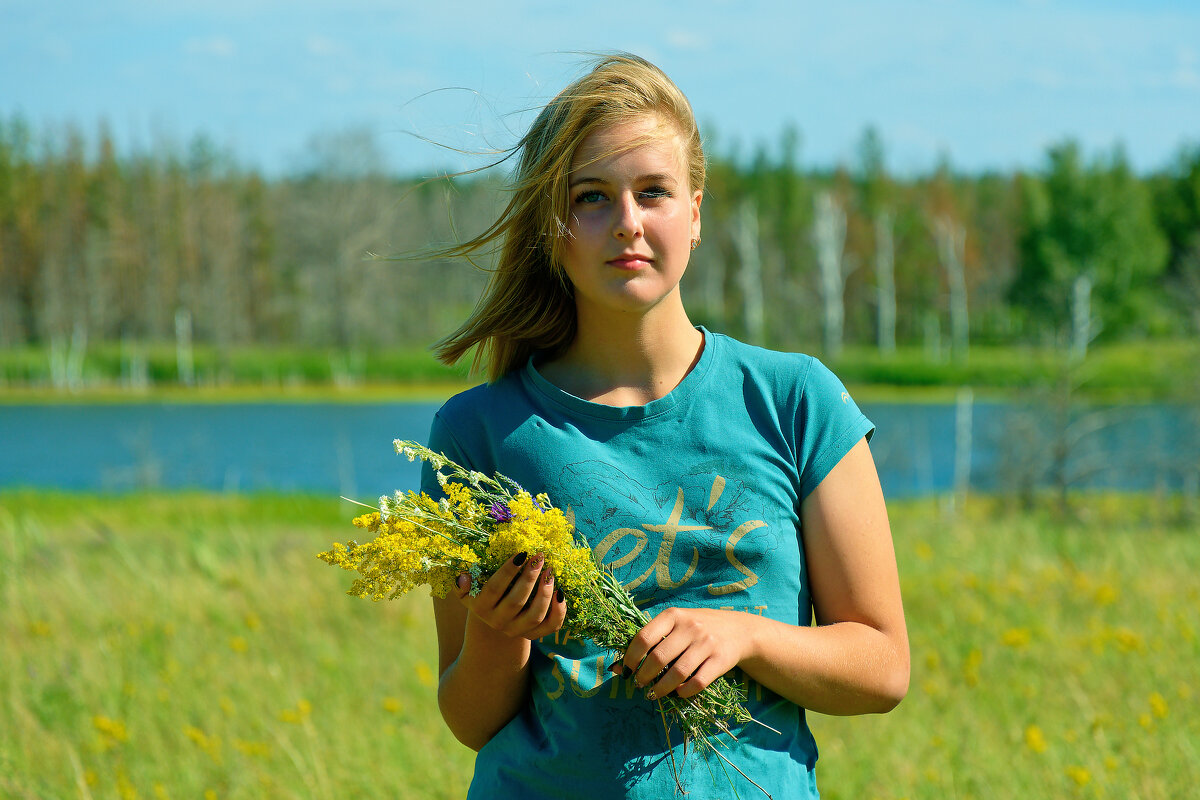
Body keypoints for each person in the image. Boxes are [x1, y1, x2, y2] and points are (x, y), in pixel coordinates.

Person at [419, 53, 909, 799]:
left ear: (695, 212)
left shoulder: (795, 400)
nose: (628, 224)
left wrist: (743, 635)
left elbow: (881, 668)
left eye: (654, 192)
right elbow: (470, 719)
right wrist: (498, 630)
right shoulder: (474, 435)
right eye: (591, 198)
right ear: (554, 229)